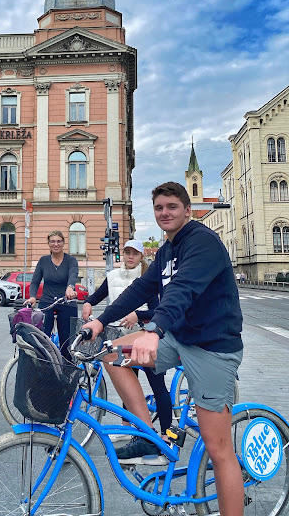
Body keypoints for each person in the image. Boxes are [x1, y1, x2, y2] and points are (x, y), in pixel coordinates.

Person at [83, 182, 244, 516]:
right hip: (180, 339)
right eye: (159, 208)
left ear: (187, 210)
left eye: (172, 206)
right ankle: (148, 434)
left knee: (219, 449)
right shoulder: (167, 250)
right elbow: (142, 287)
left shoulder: (202, 242)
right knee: (110, 353)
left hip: (213, 348)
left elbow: (182, 290)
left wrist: (153, 329)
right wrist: (100, 322)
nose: (165, 213)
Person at [82, 239, 172, 447]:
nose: (130, 257)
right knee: (128, 386)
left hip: (146, 336)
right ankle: (127, 428)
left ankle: (166, 434)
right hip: (121, 336)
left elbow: (158, 310)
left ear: (141, 257)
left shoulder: (147, 278)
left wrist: (138, 315)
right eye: (127, 253)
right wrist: (88, 302)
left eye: (135, 254)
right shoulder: (113, 276)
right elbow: (99, 295)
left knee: (157, 386)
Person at [24, 230, 78, 361]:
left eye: (59, 241)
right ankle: (44, 369)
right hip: (47, 301)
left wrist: (70, 287)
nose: (56, 244)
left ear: (64, 243)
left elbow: (73, 275)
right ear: (48, 243)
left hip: (66, 301)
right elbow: (35, 281)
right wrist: (32, 297)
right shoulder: (43, 261)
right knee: (42, 339)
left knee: (67, 343)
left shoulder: (71, 260)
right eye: (52, 241)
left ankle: (67, 370)